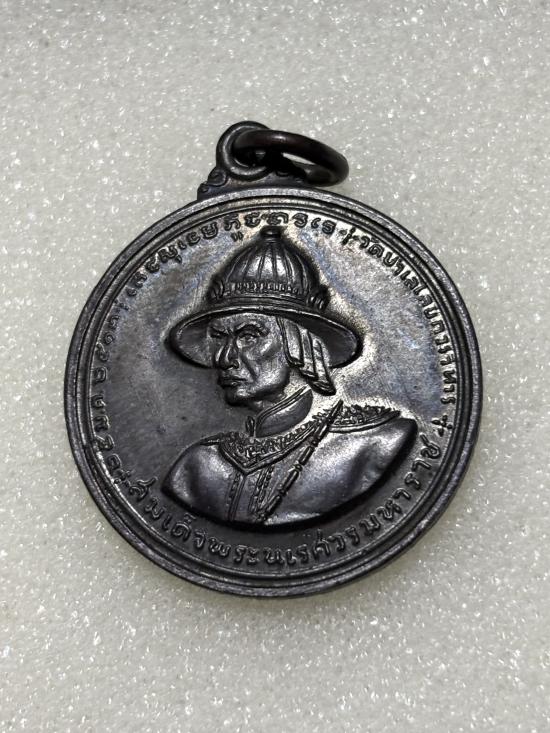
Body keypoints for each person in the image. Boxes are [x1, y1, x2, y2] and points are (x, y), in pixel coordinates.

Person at [163, 226, 416, 526]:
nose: (223, 357)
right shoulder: (198, 466)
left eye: (248, 336)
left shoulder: (376, 442)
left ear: (299, 344)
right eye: (219, 337)